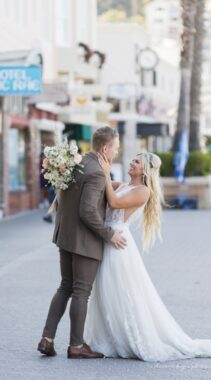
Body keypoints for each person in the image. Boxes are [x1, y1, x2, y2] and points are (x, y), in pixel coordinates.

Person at [86, 150, 211, 360]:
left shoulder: (143, 191)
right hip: (107, 237)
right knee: (105, 290)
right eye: (133, 159)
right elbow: (102, 189)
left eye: (136, 162)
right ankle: (108, 337)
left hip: (118, 241)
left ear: (144, 169)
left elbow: (114, 203)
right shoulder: (123, 185)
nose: (131, 163)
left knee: (120, 290)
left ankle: (127, 337)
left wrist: (107, 175)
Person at [39, 126, 128, 359]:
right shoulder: (98, 172)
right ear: (106, 147)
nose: (117, 153)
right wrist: (109, 234)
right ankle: (76, 346)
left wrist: (114, 184)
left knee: (65, 287)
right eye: (116, 148)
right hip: (85, 241)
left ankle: (46, 339)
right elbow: (88, 211)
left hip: (65, 236)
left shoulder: (75, 163)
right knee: (81, 291)